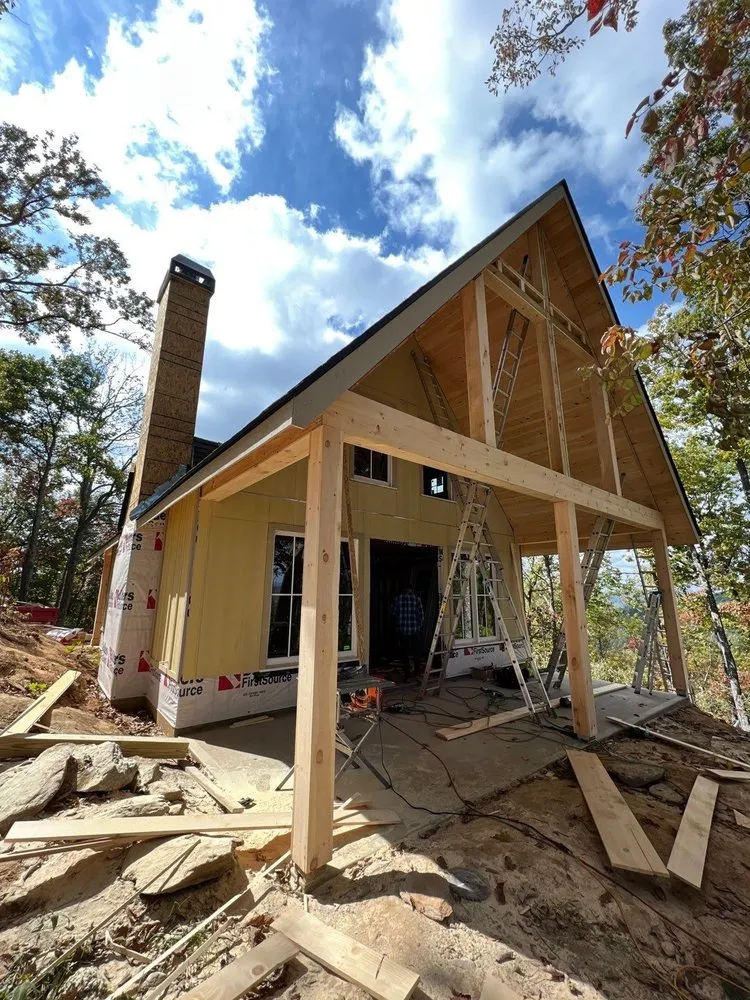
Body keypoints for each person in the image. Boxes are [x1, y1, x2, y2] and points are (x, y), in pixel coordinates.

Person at [390, 584, 424, 679]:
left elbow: (392, 614)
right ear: (411, 589)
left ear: (403, 589)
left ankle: (407, 675)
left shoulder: (397, 599)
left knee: (404, 653)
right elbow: (421, 616)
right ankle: (417, 673)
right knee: (416, 653)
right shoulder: (417, 599)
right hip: (414, 630)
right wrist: (418, 628)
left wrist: (397, 627)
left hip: (402, 631)